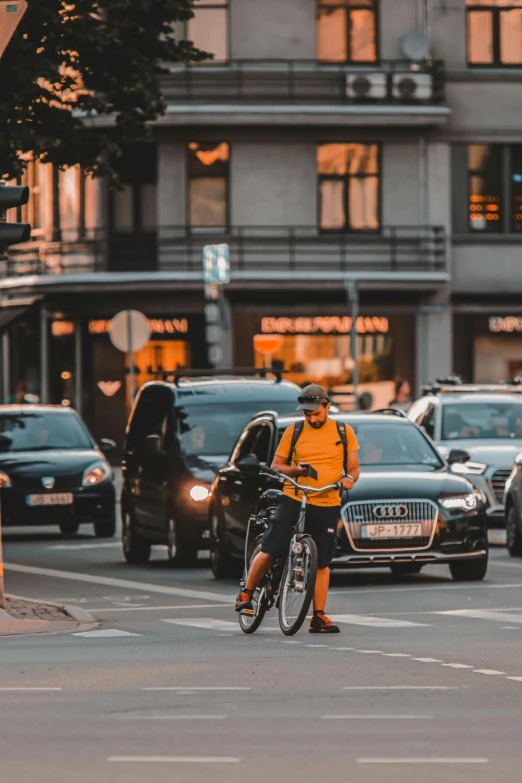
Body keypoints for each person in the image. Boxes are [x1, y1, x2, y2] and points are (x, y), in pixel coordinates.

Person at [235, 384, 360, 634]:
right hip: (294, 497)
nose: (312, 418)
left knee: (322, 561)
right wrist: (297, 471)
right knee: (272, 549)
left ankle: (319, 616)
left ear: (327, 407)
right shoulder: (294, 431)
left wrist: (349, 479)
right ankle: (246, 594)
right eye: (307, 414)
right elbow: (277, 465)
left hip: (326, 500)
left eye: (316, 413)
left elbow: (354, 468)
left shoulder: (344, 432)